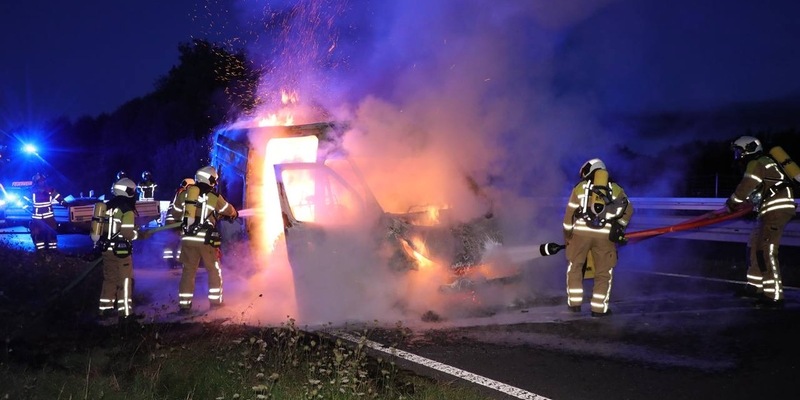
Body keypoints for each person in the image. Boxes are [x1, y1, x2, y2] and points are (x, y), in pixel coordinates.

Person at [727, 136, 797, 308]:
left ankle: (773, 296)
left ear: (748, 149)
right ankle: (754, 286)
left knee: (766, 250)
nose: (738, 155)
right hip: (769, 211)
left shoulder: (757, 163)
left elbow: (746, 186)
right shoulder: (765, 163)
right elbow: (758, 192)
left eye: (739, 151)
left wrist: (732, 203)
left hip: (776, 210)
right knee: (754, 246)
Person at [562, 159, 634, 317]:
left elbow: (569, 215)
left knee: (575, 267)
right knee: (603, 273)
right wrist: (619, 226)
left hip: (580, 234)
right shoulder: (615, 189)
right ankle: (599, 309)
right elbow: (628, 209)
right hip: (605, 236)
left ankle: (574, 305)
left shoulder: (580, 188)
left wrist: (567, 235)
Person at [172, 166, 237, 312]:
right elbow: (229, 210)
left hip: (188, 239)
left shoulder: (185, 194)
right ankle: (216, 303)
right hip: (206, 240)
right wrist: (234, 214)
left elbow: (175, 214)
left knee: (188, 271)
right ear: (210, 179)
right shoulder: (214, 197)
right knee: (213, 270)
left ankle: (184, 305)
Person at [91, 177, 139, 320]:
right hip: (121, 252)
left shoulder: (106, 207)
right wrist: (137, 234)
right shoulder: (127, 210)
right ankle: (125, 314)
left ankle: (104, 310)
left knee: (109, 279)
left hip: (107, 250)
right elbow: (127, 233)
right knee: (125, 281)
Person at [25, 173, 65, 252]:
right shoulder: (31, 190)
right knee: (38, 235)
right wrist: (26, 206)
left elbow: (59, 198)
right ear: (36, 182)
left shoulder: (50, 190)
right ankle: (40, 252)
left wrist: (67, 204)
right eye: (40, 181)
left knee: (52, 234)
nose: (42, 183)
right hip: (37, 219)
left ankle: (53, 250)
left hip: (48, 218)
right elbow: (23, 199)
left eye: (43, 181)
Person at [162, 177, 194, 269]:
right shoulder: (184, 194)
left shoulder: (178, 192)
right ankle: (176, 261)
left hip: (171, 222)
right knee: (180, 241)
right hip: (176, 222)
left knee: (171, 242)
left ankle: (171, 262)